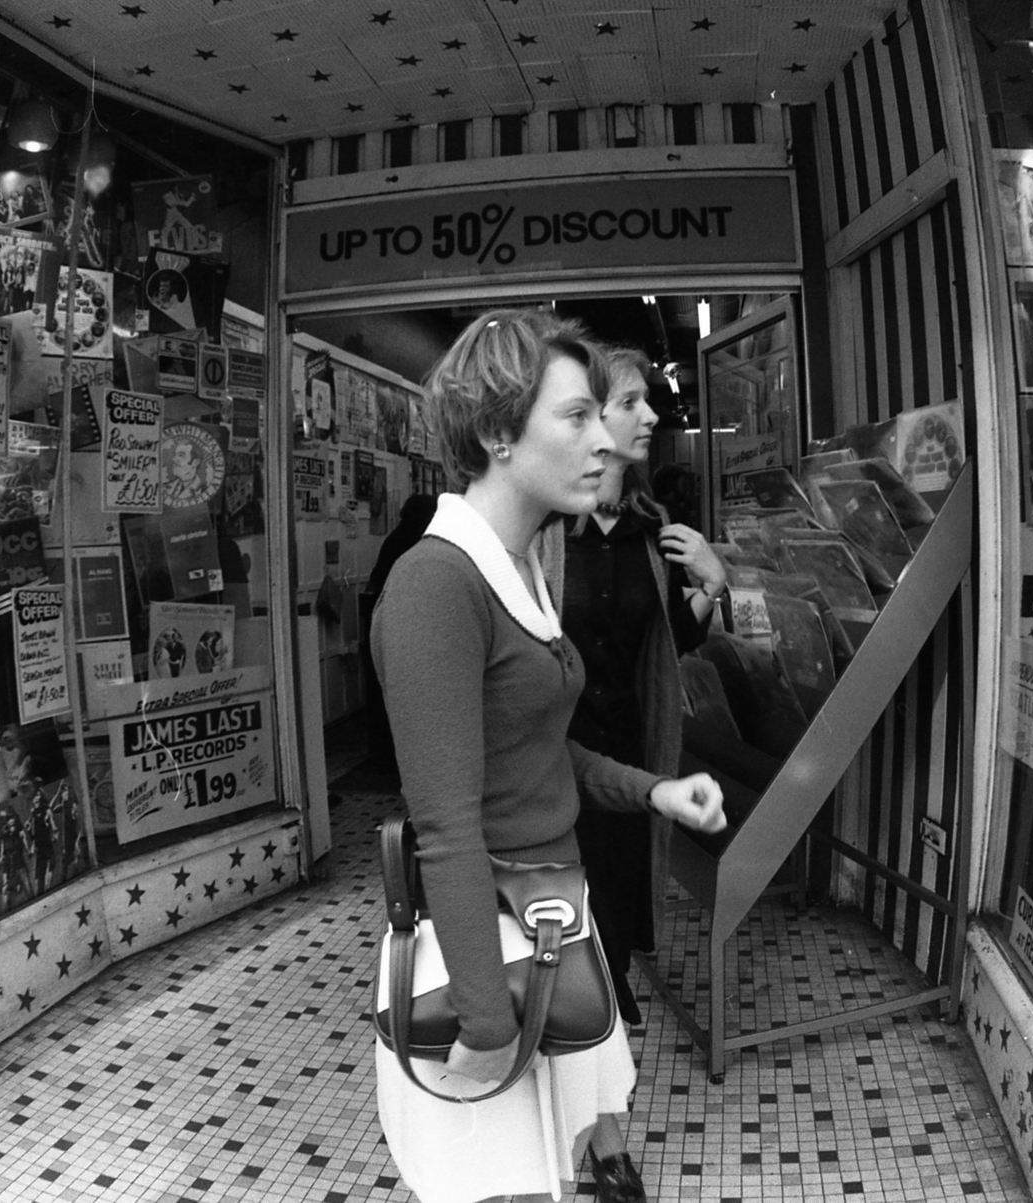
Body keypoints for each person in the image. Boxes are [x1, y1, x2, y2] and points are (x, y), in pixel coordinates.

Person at [370, 308, 727, 1203]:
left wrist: (655, 792)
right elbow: (447, 822)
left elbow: (536, 752)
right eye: (575, 416)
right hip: (484, 945)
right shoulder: (436, 584)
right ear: (497, 432)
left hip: (550, 918)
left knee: (560, 1170)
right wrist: (489, 1022)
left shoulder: (522, 564)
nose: (607, 438)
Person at [542, 347, 726, 1041]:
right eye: (631, 403)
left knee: (616, 893)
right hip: (554, 756)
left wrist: (711, 581)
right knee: (562, 901)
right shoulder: (547, 531)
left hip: (631, 752)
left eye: (648, 400)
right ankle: (576, 1024)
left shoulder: (653, 530)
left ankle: (601, 1012)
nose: (652, 414)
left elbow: (671, 641)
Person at [362, 493, 442, 772]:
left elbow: (375, 584)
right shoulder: (431, 545)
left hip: (388, 630)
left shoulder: (393, 541)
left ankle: (385, 760)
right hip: (425, 633)